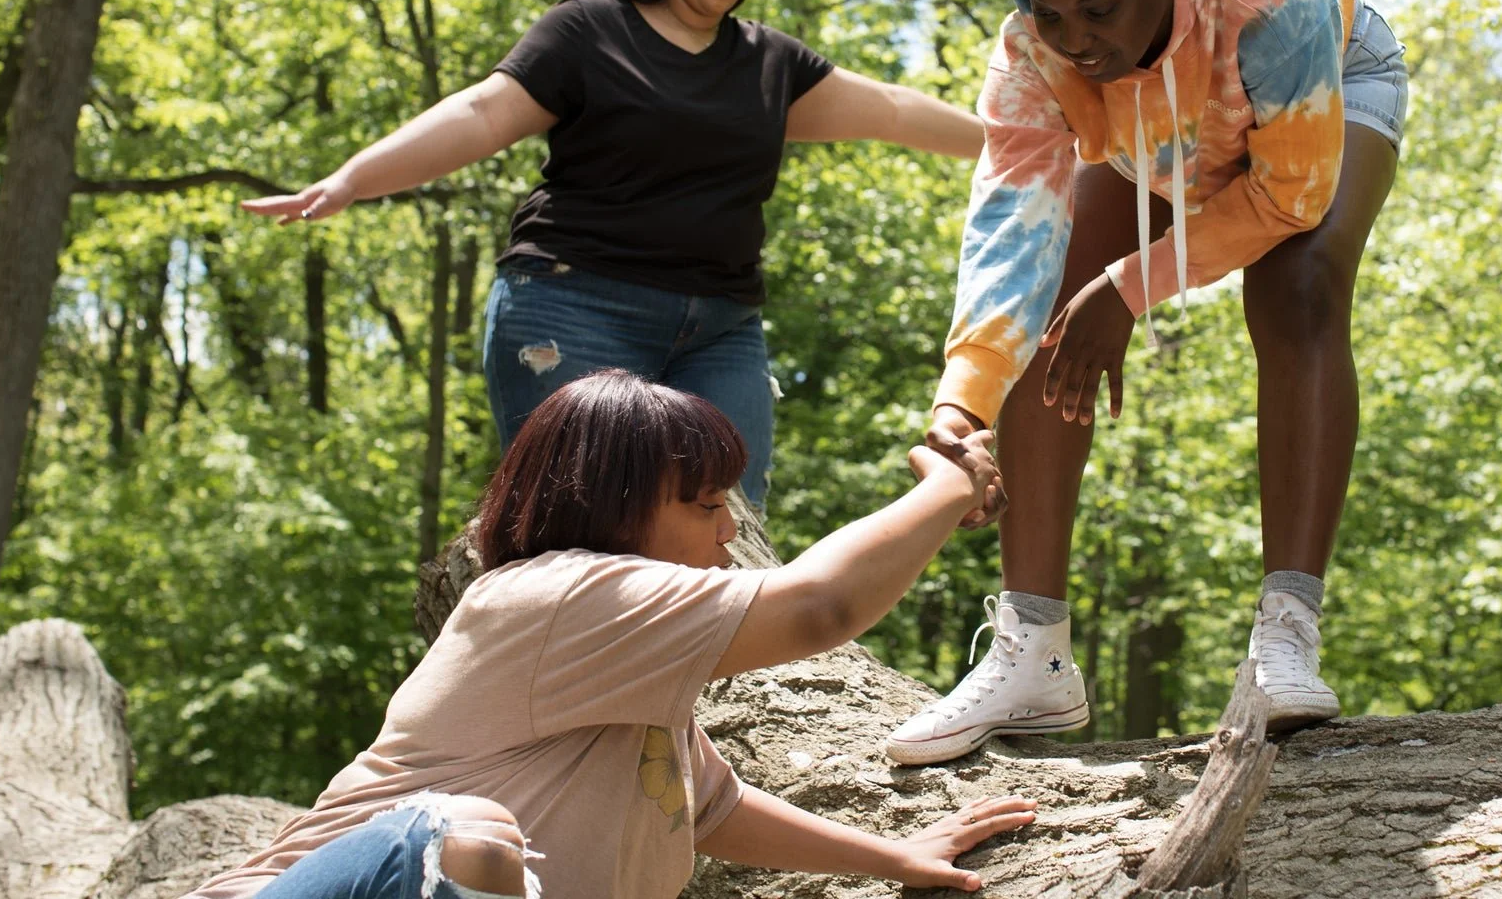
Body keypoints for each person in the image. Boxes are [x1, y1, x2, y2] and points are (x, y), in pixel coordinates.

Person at [886, 0, 1408, 765]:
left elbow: (1289, 197)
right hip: (1152, 123)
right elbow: (1011, 228)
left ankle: (1286, 634)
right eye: (1049, 10)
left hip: (1318, 86)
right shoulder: (1041, 45)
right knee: (1049, 306)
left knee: (1298, 289)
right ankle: (1034, 652)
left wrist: (1131, 286)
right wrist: (958, 405)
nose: (1073, 36)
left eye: (1097, 8)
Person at [243, 0, 983, 507]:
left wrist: (1027, 145)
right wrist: (350, 180)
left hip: (720, 331)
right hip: (575, 310)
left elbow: (891, 109)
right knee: (590, 528)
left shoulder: (769, 64)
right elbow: (479, 111)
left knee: (730, 530)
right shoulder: (589, 29)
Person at [183, 369, 1032, 899]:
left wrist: (894, 857)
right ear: (610, 505)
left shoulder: (627, 689)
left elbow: (712, 809)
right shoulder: (557, 596)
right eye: (704, 507)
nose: (727, 537)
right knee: (466, 838)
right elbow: (821, 608)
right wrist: (951, 483)